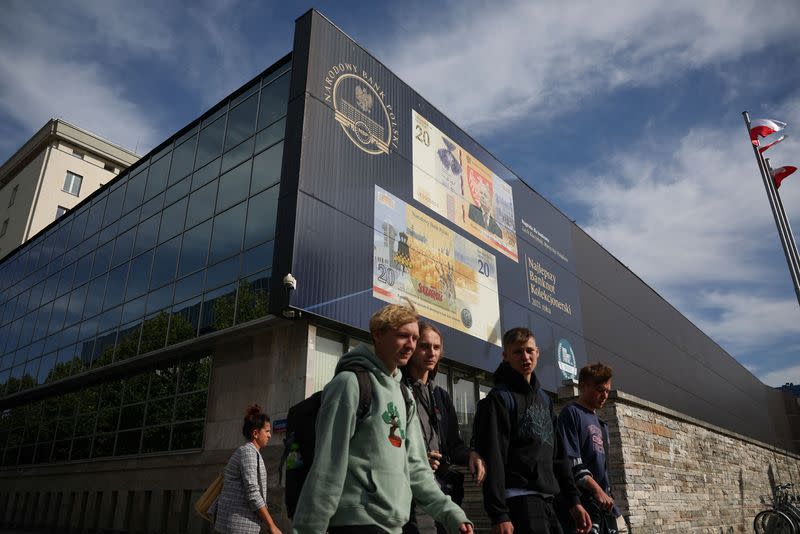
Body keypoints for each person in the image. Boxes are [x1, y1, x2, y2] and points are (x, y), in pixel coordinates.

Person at [292, 304, 473, 534]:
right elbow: (328, 465)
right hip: (355, 524)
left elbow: (417, 469)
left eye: (415, 338)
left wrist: (452, 514)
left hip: (395, 526)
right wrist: (309, 529)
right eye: (402, 336)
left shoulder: (404, 394)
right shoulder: (349, 384)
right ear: (378, 335)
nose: (411, 345)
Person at [472, 327, 591, 534]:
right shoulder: (499, 399)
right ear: (505, 356)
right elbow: (494, 457)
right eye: (517, 352)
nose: (525, 357)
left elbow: (559, 456)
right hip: (519, 501)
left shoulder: (544, 399)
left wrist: (574, 500)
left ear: (537, 352)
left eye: (529, 351)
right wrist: (499, 513)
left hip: (549, 500)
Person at [401, 321, 486, 534]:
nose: (431, 352)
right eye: (424, 346)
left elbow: (454, 445)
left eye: (436, 348)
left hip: (442, 491)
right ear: (412, 349)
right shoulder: (397, 389)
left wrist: (472, 455)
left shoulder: (441, 396)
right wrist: (418, 458)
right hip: (409, 492)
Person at [556, 363, 623, 534]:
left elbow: (603, 472)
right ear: (583, 386)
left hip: (604, 506)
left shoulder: (601, 425)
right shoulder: (571, 413)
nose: (605, 395)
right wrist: (596, 491)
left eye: (608, 391)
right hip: (582, 504)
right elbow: (571, 461)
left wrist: (612, 506)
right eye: (600, 389)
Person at [213, 404, 282, 534]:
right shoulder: (248, 452)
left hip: (238, 523)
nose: (270, 435)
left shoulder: (250, 451)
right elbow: (253, 493)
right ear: (255, 433)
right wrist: (272, 525)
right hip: (238, 524)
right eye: (267, 431)